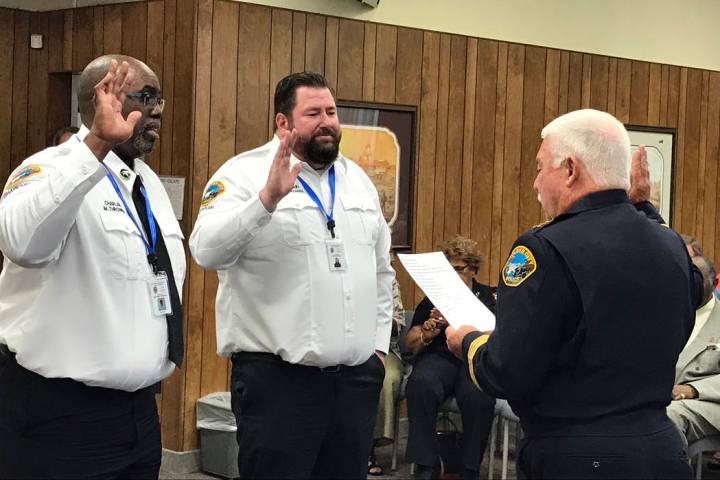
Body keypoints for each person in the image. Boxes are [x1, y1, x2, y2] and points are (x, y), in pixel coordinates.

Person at [446, 109, 702, 479]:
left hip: (576, 456)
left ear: (569, 169)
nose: (535, 183)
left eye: (539, 168)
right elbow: (690, 295)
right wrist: (645, 209)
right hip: (660, 450)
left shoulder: (543, 249)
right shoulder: (669, 243)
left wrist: (468, 340)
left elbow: (507, 372)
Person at [189, 71, 394, 480]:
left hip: (353, 385)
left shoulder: (358, 182)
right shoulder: (243, 174)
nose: (327, 122)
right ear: (283, 123)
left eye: (332, 112)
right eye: (313, 112)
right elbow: (206, 251)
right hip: (278, 385)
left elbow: (380, 272)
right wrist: (266, 201)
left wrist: (377, 348)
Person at [0, 55, 185, 478]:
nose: (158, 110)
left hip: (138, 413)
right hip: (61, 415)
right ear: (102, 100)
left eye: (162, 99)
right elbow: (22, 244)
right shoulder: (48, 167)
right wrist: (96, 146)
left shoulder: (147, 183)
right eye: (147, 97)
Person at [404, 235, 496, 480]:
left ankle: (469, 469)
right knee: (420, 384)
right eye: (449, 270)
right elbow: (409, 343)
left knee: (480, 395)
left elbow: (501, 334)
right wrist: (426, 331)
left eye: (460, 269)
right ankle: (427, 465)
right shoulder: (434, 298)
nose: (454, 275)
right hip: (439, 358)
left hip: (473, 358)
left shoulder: (489, 296)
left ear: (473, 269)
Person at [668, 254, 720, 445]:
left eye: (697, 279)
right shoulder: (666, 314)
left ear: (714, 283)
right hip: (659, 395)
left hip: (707, 401)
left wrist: (692, 390)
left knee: (666, 418)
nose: (690, 285)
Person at [368, 277, 406, 476]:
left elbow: (398, 325)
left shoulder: (388, 280)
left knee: (386, 377)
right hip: (348, 348)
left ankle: (371, 446)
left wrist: (381, 317)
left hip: (385, 347)